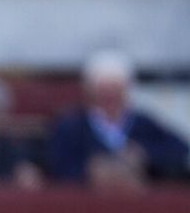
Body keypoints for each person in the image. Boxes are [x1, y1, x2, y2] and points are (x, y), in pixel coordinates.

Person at [46, 49, 190, 188]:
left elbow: (179, 150)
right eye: (103, 90)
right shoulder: (73, 126)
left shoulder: (143, 124)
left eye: (115, 89)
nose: (110, 97)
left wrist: (143, 155)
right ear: (90, 91)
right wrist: (91, 169)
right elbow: (58, 165)